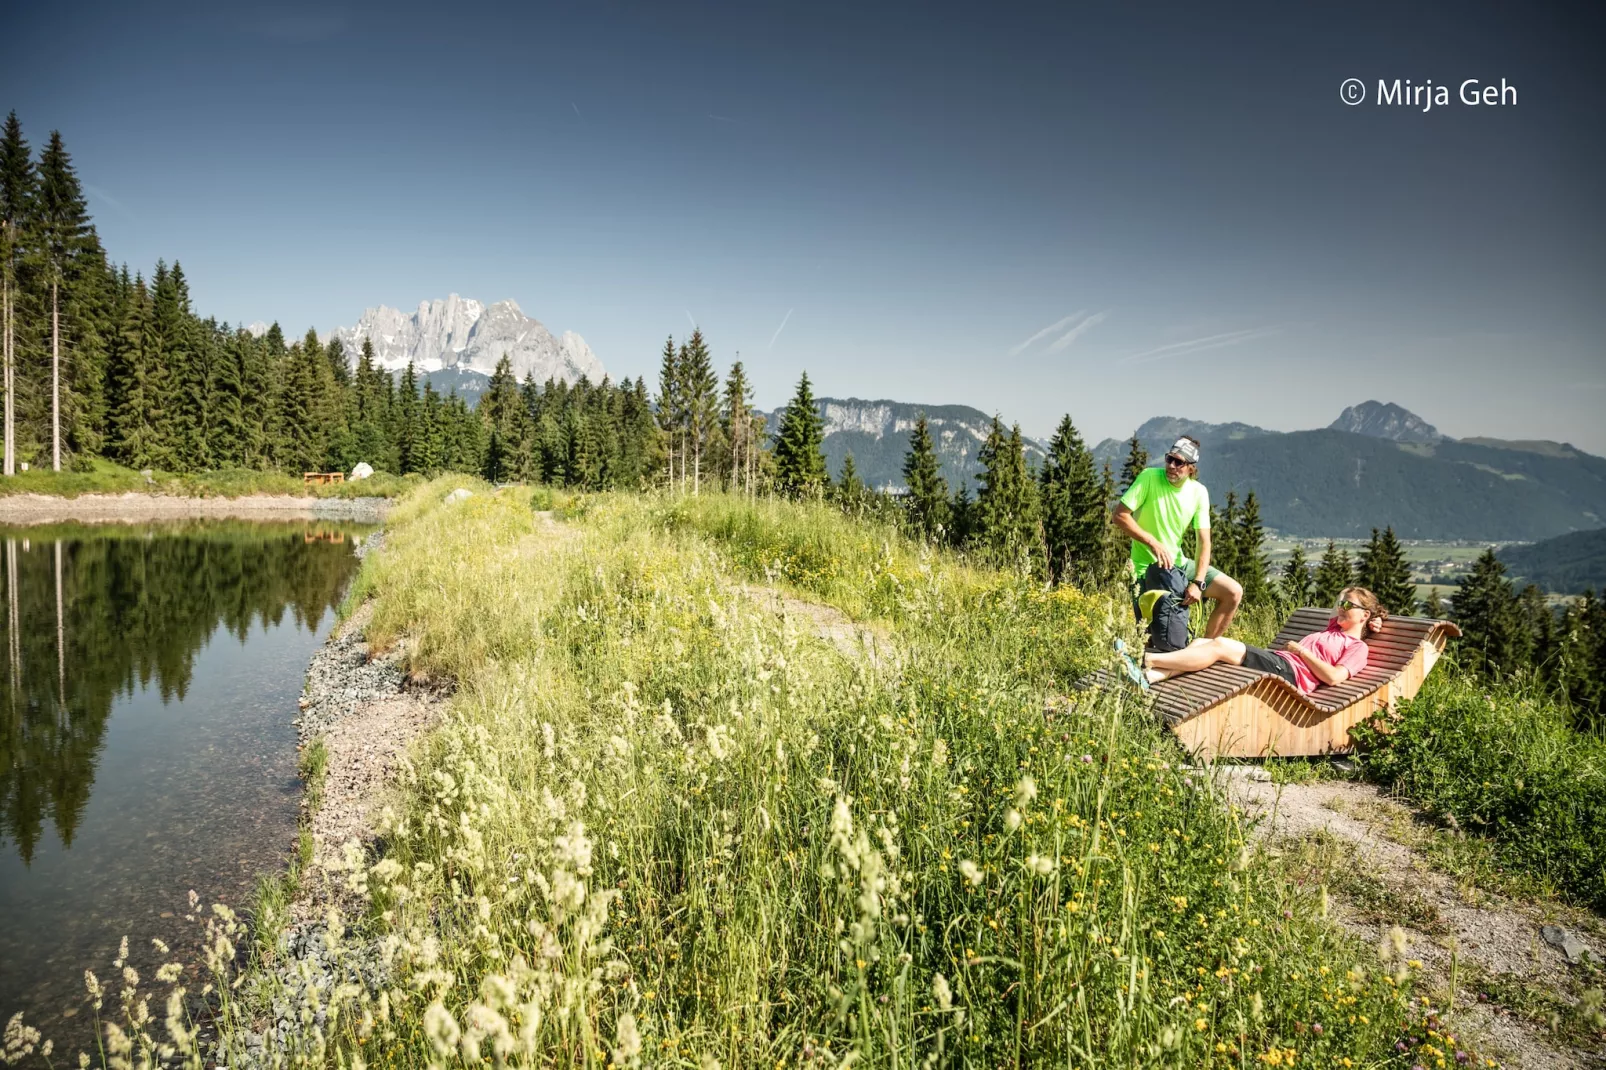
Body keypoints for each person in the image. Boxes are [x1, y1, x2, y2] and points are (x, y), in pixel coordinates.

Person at [1118, 587, 1386, 691]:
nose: (1341, 607)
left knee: (1220, 645)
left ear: (1363, 615)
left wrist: (1301, 652)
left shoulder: (1357, 647)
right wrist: (1372, 617)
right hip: (1282, 662)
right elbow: (1340, 600)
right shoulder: (1333, 629)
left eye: (1348, 606)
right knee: (1202, 643)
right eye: (1341, 604)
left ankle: (1146, 659)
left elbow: (1334, 677)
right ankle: (1148, 679)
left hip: (1291, 673)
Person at [1111, 435, 1243, 640]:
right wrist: (1152, 542)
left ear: (1191, 467)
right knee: (1152, 639)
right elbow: (1119, 516)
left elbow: (1204, 542)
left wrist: (1198, 582)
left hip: (1179, 565)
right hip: (1146, 569)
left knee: (1233, 592)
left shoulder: (1199, 492)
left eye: (1179, 462)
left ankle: (1205, 649)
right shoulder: (1149, 477)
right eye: (1169, 459)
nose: (1171, 466)